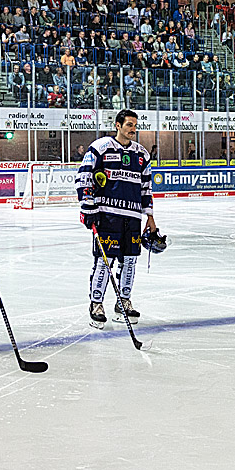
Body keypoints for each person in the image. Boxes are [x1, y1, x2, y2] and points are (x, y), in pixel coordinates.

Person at [77, 109, 157, 328]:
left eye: (135, 125)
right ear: (118, 125)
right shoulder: (100, 148)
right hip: (107, 217)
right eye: (129, 124)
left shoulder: (142, 154)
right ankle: (96, 304)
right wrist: (88, 209)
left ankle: (123, 302)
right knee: (104, 262)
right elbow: (84, 178)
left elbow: (146, 188)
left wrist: (150, 217)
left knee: (130, 262)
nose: (133, 129)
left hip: (132, 217)